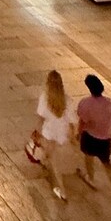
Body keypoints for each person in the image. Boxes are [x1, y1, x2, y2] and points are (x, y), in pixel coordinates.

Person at [77, 73, 111, 213]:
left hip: (90, 137)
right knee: (107, 163)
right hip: (105, 140)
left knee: (88, 157)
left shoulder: (85, 103)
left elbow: (82, 122)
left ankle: (90, 178)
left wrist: (78, 134)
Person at [35, 69, 73, 201]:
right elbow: (70, 119)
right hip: (60, 132)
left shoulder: (45, 98)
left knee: (54, 162)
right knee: (50, 153)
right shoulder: (66, 99)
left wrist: (37, 132)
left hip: (49, 132)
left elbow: (41, 117)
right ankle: (45, 160)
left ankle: (62, 191)